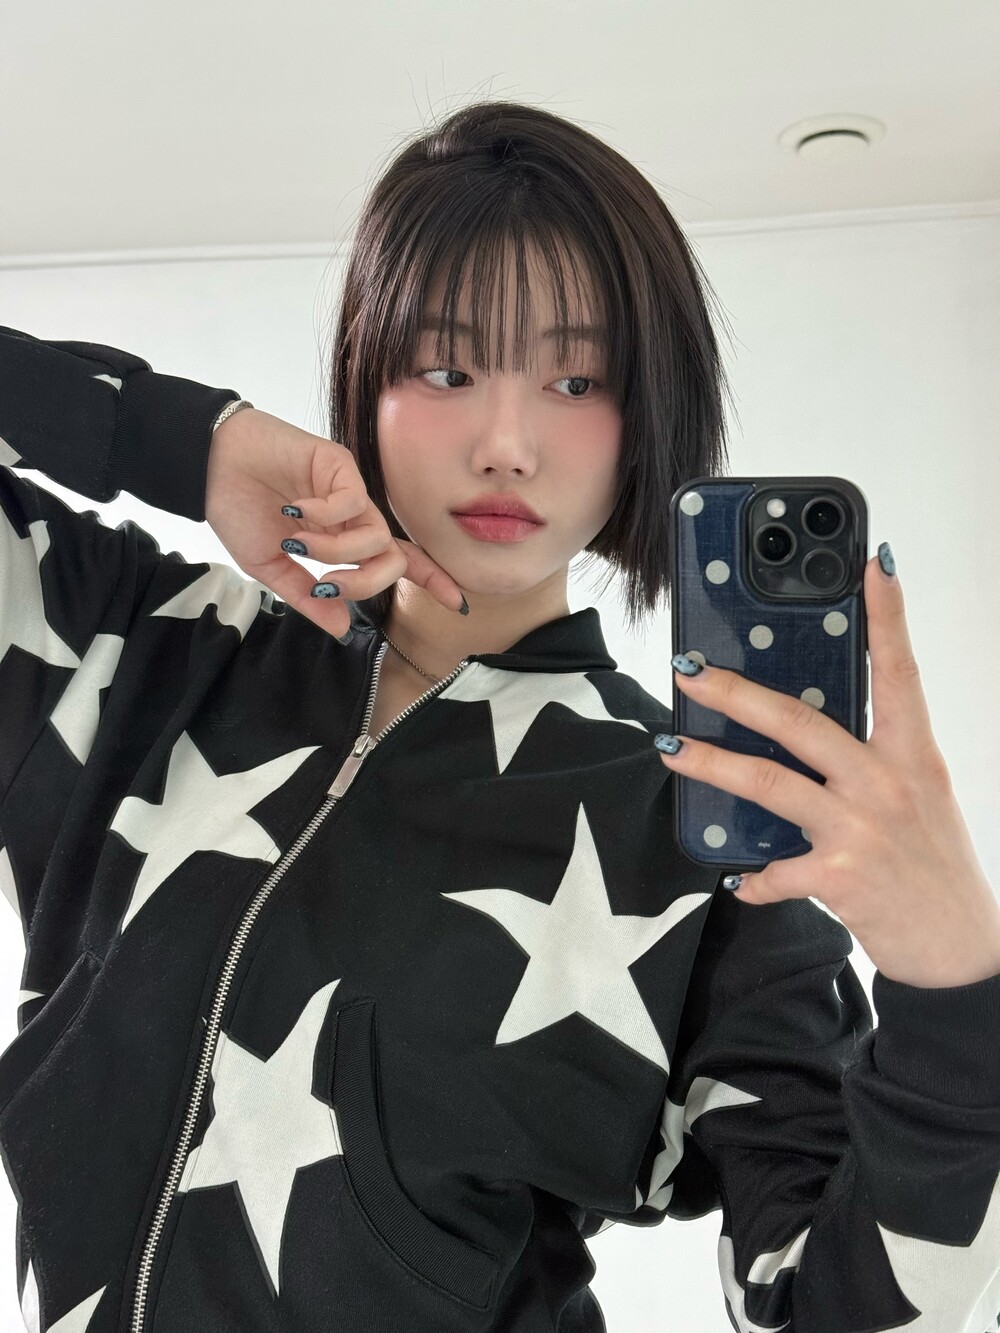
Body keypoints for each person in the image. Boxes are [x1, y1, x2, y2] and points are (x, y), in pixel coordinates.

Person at [0, 100, 997, 1333]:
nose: (508, 444)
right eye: (447, 368)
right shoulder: (140, 651)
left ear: (645, 416)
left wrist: (956, 984)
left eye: (575, 379)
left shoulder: (700, 825)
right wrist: (185, 440)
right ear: (366, 378)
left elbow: (844, 1310)